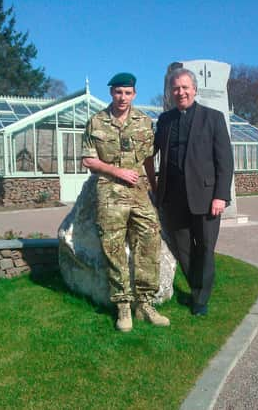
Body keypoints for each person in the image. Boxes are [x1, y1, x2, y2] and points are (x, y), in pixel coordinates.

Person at [81, 72, 169, 332]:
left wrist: (154, 190)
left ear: (134, 94)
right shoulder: (96, 122)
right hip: (110, 190)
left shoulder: (144, 121)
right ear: (111, 93)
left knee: (151, 237)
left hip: (139, 190)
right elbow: (88, 160)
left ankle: (145, 303)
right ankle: (123, 306)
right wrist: (117, 171)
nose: (122, 97)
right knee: (113, 245)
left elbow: (149, 160)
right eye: (118, 92)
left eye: (127, 92)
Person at [146, 68, 234, 316]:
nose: (181, 92)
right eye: (176, 88)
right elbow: (149, 153)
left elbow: (225, 161)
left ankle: (200, 299)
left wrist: (221, 195)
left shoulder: (213, 118)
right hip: (173, 199)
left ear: (194, 89)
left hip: (206, 198)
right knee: (183, 249)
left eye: (185, 87)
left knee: (205, 248)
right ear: (170, 92)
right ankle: (197, 287)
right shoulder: (165, 121)